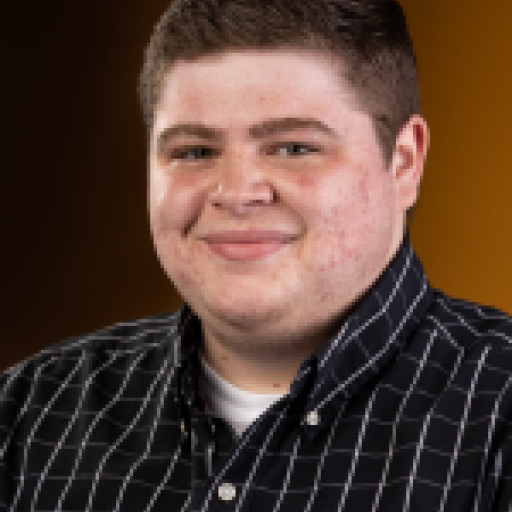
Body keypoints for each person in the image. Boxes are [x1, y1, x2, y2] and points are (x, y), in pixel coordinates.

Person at [1, 0, 510, 510]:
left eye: (294, 148)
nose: (236, 193)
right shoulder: (23, 417)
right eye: (195, 152)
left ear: (403, 163)